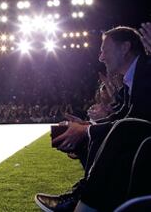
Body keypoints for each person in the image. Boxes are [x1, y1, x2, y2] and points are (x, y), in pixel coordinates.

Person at [35, 26, 151, 211]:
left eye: (105, 50)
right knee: (87, 134)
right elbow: (123, 113)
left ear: (125, 47)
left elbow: (136, 119)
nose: (101, 57)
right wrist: (87, 125)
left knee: (121, 129)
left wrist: (87, 129)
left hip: (143, 139)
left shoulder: (146, 69)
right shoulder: (133, 76)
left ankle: (86, 203)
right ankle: (87, 195)